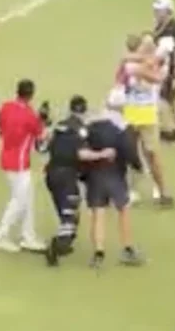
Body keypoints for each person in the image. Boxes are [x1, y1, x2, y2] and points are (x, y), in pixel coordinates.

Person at [43, 95, 116, 267]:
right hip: (66, 178)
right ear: (84, 110)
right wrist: (102, 154)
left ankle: (62, 244)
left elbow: (42, 147)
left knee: (67, 215)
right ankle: (57, 247)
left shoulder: (59, 126)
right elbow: (81, 154)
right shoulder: (81, 130)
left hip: (51, 176)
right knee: (71, 220)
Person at [85, 88, 146, 269]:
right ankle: (127, 249)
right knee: (124, 210)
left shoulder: (91, 122)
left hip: (95, 174)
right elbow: (129, 151)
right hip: (115, 174)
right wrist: (138, 166)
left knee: (98, 212)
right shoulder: (124, 126)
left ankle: (98, 253)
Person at [0, 79, 48, 253]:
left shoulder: (6, 107)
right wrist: (43, 120)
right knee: (19, 201)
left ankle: (28, 236)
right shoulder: (30, 116)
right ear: (31, 95)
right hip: (19, 164)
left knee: (28, 198)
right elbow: (42, 137)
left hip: (7, 158)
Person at [121, 33, 174, 207]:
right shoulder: (131, 64)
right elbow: (139, 67)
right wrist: (155, 57)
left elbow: (157, 77)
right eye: (145, 44)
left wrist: (159, 59)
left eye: (151, 45)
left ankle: (162, 191)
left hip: (147, 113)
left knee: (151, 153)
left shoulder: (158, 64)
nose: (148, 47)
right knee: (129, 152)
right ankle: (129, 189)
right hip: (131, 112)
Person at [152, 0, 175, 142]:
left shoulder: (173, 29)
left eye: (158, 10)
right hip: (165, 69)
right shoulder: (162, 25)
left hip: (171, 72)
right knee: (171, 102)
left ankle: (168, 130)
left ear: (167, 11)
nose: (155, 12)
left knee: (165, 100)